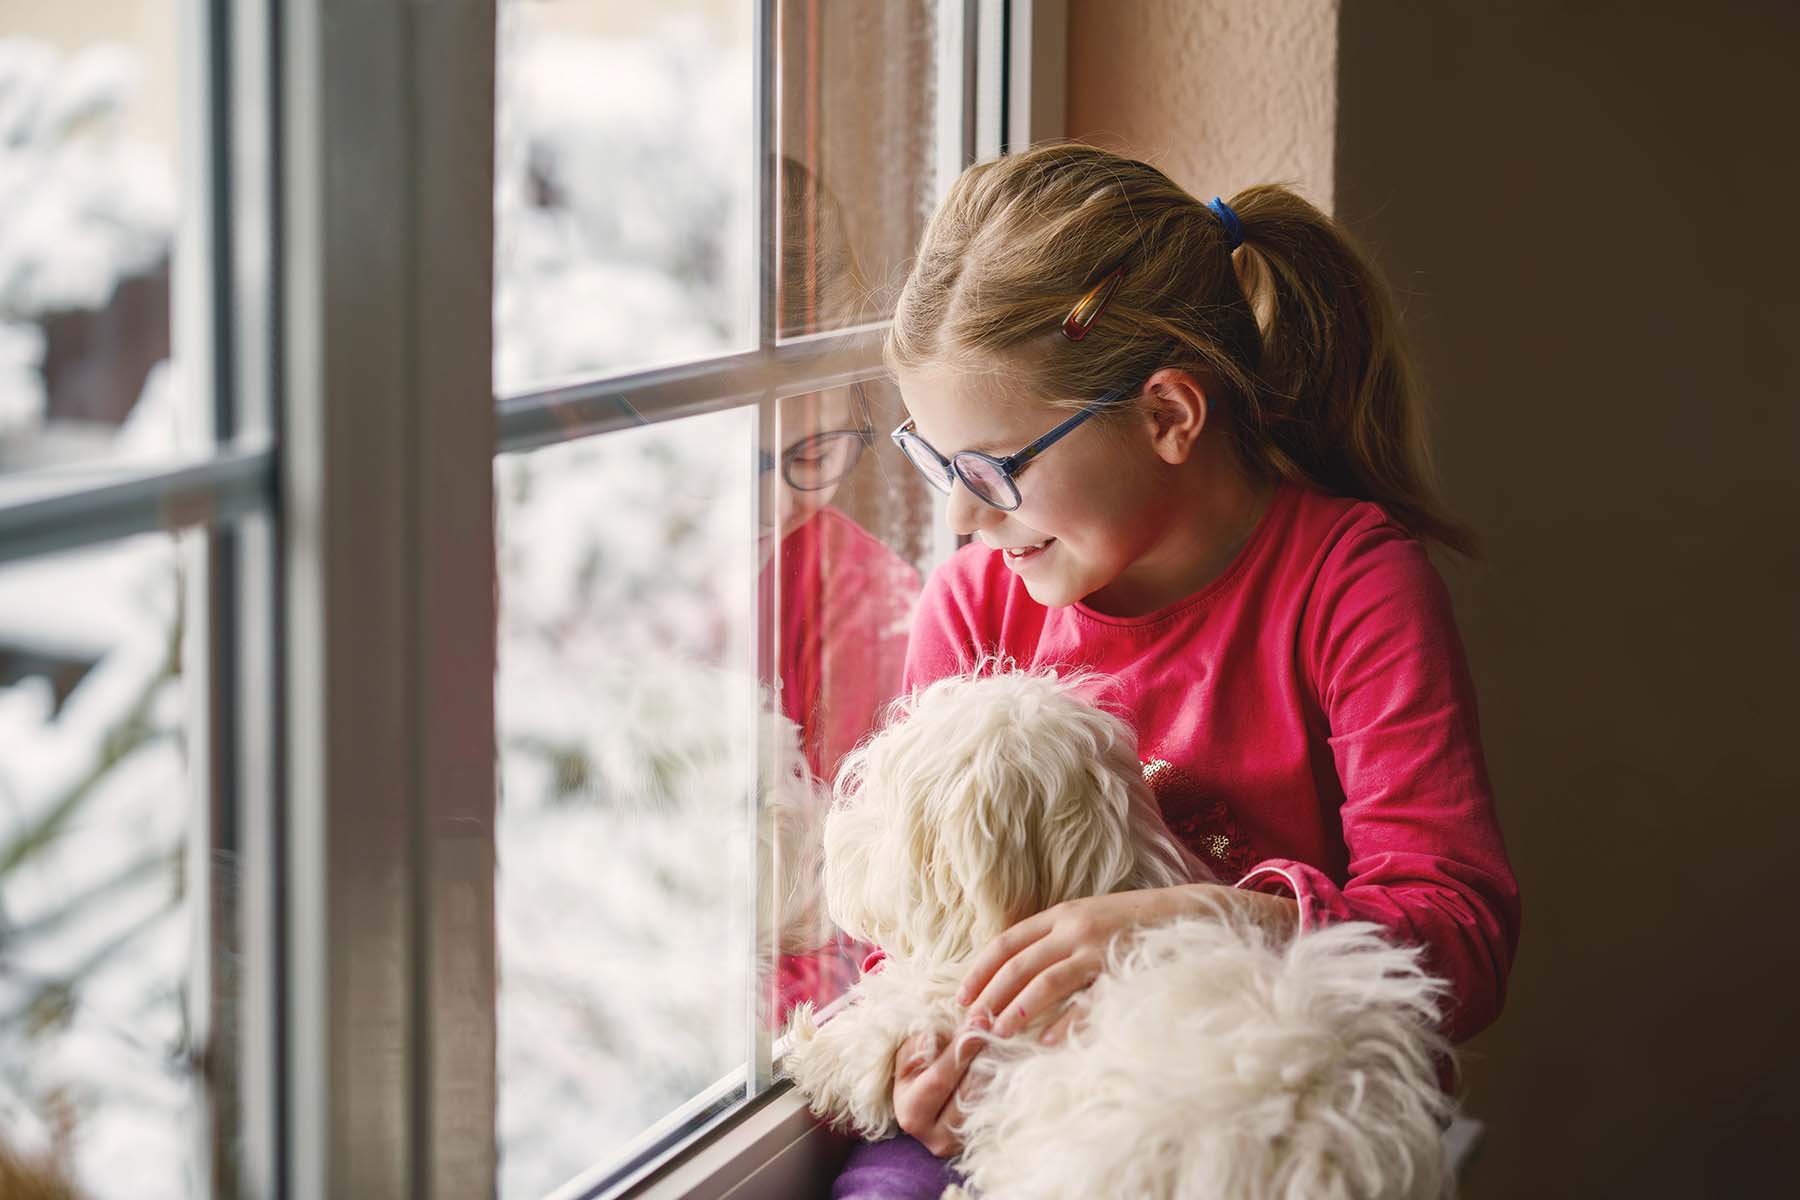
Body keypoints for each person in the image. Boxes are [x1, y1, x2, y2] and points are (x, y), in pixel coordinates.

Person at [829, 142, 1521, 1197]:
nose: (961, 516)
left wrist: (1210, 916)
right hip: (1026, 1098)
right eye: (934, 463)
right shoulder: (976, 600)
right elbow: (907, 914)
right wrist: (923, 1053)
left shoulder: (1353, 586)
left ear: (1168, 416)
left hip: (1257, 1121)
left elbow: (1459, 941)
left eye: (991, 470)